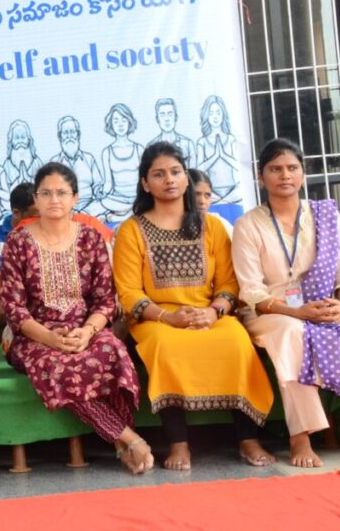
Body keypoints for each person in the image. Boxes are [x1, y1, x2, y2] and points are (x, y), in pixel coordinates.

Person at [113, 142, 274, 470]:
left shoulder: (211, 226)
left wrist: (213, 311)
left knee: (235, 340)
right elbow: (128, 291)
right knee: (166, 347)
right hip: (155, 320)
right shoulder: (131, 230)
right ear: (146, 183)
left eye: (175, 172)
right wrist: (168, 317)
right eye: (158, 174)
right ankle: (179, 444)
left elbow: (230, 283)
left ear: (186, 178)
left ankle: (248, 439)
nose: (169, 180)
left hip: (208, 314)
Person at [232, 138, 340, 467]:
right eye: (275, 169)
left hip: (324, 306)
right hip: (272, 311)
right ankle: (301, 437)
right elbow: (251, 291)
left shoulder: (325, 216)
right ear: (261, 177)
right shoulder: (248, 225)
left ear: (303, 173)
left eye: (292, 168)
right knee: (293, 335)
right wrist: (296, 311)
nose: (285, 175)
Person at [0, 164, 151, 474]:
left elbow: (106, 299)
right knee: (63, 366)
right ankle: (128, 439)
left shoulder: (91, 239)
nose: (54, 199)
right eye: (46, 193)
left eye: (61, 193)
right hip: (32, 336)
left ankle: (122, 445)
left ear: (75, 198)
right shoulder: (18, 242)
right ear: (36, 199)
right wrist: (50, 339)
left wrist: (87, 331)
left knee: (113, 353)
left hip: (86, 329)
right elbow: (13, 308)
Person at [0, 182, 37, 300]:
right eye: (35, 216)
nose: (41, 220)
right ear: (16, 213)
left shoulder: (49, 235)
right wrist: (7, 302)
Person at [99, 103, 144, 223]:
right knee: (101, 203)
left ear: (129, 122)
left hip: (138, 198)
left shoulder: (139, 149)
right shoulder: (107, 152)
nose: (120, 124)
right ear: (111, 124)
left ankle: (124, 216)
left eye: (124, 120)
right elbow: (108, 183)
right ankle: (130, 213)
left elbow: (144, 179)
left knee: (147, 203)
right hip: (117, 200)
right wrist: (101, 192)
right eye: (116, 121)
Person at [50, 115, 104, 214]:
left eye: (72, 132)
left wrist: (99, 192)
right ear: (60, 136)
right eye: (66, 133)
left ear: (78, 135)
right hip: (64, 208)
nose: (69, 136)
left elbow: (98, 185)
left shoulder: (89, 159)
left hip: (89, 207)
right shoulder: (54, 162)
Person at [195, 95, 240, 202]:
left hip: (233, 192)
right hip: (211, 193)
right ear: (206, 115)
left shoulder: (230, 138)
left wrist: (224, 155)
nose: (215, 117)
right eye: (211, 113)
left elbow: (238, 167)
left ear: (223, 114)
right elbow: (199, 170)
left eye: (218, 113)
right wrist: (215, 156)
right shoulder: (202, 142)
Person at [148, 98, 196, 167]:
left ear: (176, 117)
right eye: (162, 115)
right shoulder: (151, 146)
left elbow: (193, 172)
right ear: (157, 119)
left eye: (170, 114)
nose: (166, 119)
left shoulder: (188, 144)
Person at [188, 169, 233, 237]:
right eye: (196, 195)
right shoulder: (169, 225)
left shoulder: (218, 223)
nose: (202, 201)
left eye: (207, 195)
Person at [3, 119, 43, 190]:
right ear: (11, 141)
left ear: (28, 140)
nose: (20, 141)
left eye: (23, 137)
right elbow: (5, 191)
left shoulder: (37, 162)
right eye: (16, 138)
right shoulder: (6, 165)